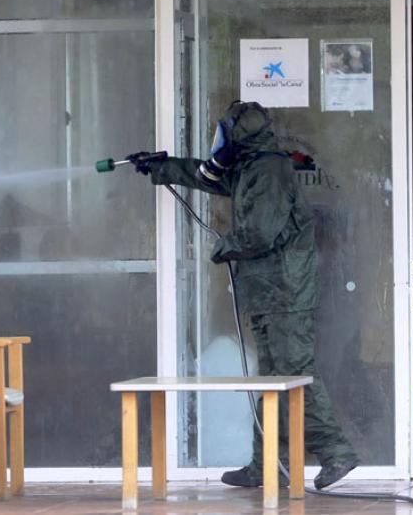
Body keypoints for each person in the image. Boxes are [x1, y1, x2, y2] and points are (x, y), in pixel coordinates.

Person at [129, 100, 359, 490]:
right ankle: (268, 463)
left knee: (293, 374)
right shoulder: (253, 166)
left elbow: (260, 234)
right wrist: (161, 167)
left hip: (286, 292)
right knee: (273, 381)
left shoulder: (269, 171)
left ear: (239, 134)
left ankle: (336, 451)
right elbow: (211, 179)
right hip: (271, 291)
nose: (220, 140)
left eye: (224, 132)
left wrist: (223, 247)